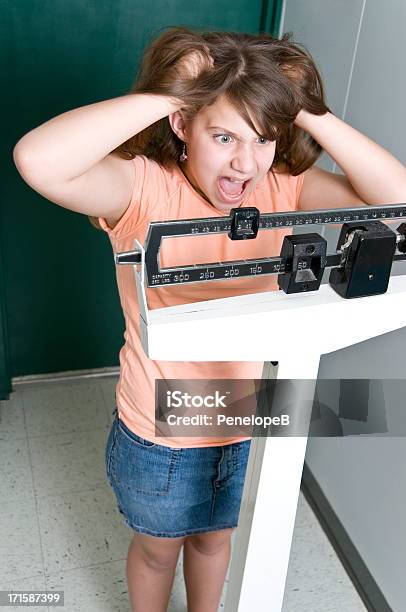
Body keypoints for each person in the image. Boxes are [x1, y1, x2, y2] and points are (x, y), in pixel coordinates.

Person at [13, 26, 406, 612]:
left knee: (217, 539)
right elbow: (36, 160)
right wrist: (180, 91)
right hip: (159, 433)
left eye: (263, 139)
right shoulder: (143, 190)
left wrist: (308, 111)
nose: (244, 162)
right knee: (157, 552)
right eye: (223, 135)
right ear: (184, 127)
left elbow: (396, 203)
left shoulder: (283, 187)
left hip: (246, 418)